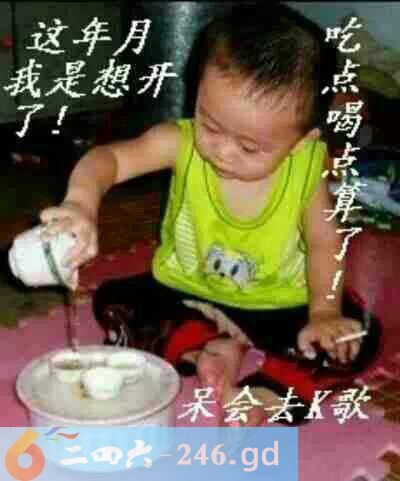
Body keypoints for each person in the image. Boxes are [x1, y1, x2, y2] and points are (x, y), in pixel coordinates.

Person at [40, 3, 381, 426]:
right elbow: (108, 159)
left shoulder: (306, 169)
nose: (223, 151)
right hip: (188, 289)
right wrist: (80, 203)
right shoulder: (179, 142)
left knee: (356, 337)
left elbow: (325, 243)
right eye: (210, 124)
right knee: (117, 301)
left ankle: (266, 392)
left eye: (249, 147)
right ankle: (204, 347)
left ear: (301, 142)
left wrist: (325, 312)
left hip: (276, 306)